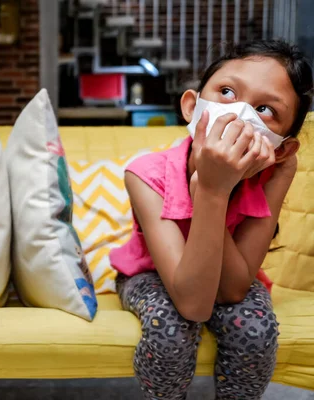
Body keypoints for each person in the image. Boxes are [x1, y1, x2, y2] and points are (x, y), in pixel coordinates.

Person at [110, 40, 313, 400]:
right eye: (227, 91)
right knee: (170, 329)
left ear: (281, 149)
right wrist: (212, 191)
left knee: (256, 328)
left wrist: (215, 191)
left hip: (226, 273)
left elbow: (233, 289)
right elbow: (193, 305)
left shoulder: (277, 171)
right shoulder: (145, 174)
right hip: (150, 273)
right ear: (191, 105)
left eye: (264, 109)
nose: (239, 114)